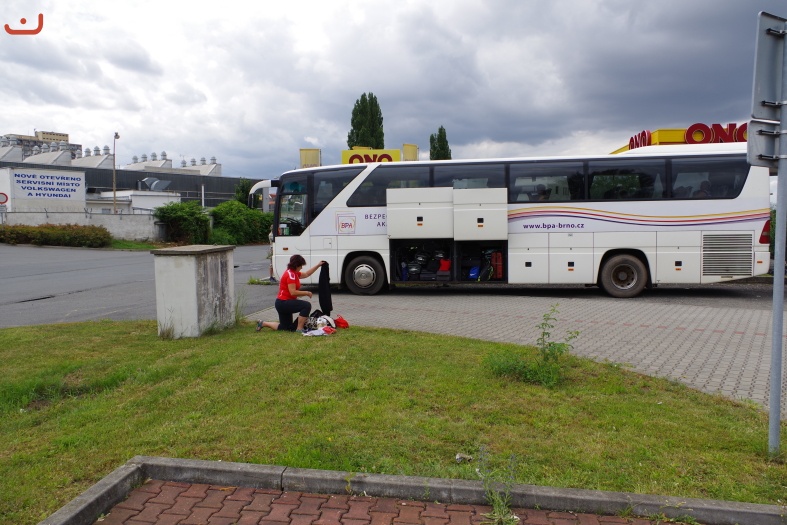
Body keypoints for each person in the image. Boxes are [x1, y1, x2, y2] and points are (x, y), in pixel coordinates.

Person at [257, 254, 324, 332]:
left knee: (285, 327)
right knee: (306, 305)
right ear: (297, 265)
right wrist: (306, 292)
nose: (301, 268)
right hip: (283, 303)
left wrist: (318, 265)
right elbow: (293, 292)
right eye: (301, 266)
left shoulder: (293, 272)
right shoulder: (291, 275)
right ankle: (299, 329)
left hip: (281, 303)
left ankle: (263, 323)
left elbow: (306, 274)